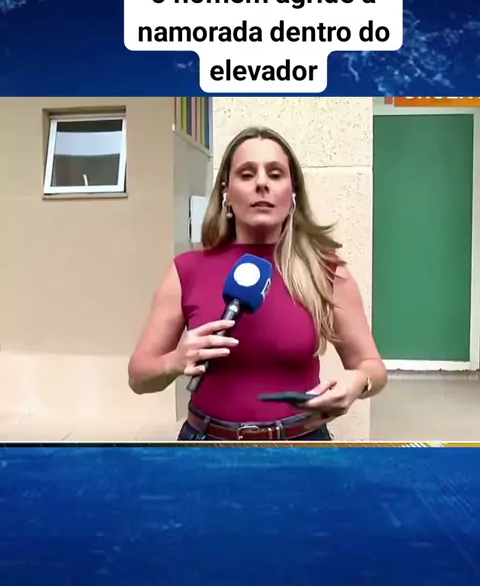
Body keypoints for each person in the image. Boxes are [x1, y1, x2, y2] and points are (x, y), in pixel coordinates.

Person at [128, 126, 388, 441]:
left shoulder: (326, 270)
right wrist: (175, 361)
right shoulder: (186, 270)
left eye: (275, 174)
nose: (262, 183)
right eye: (247, 174)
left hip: (300, 447)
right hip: (206, 446)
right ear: (226, 192)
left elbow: (373, 367)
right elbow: (139, 377)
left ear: (293, 192)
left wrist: (358, 382)